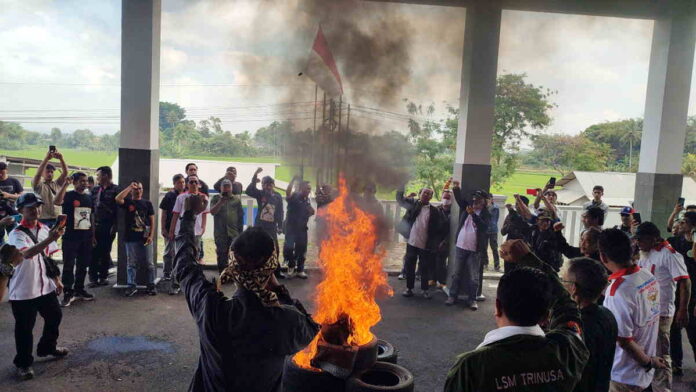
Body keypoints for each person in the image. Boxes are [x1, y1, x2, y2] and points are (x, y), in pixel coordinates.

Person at [173, 195, 320, 392]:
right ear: (270, 268)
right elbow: (311, 328)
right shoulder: (286, 321)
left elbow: (184, 265)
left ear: (233, 267)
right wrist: (278, 290)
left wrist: (189, 215)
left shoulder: (210, 307)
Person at [444, 239, 588, 392]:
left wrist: (528, 259)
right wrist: (529, 259)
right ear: (546, 317)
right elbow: (567, 307)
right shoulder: (567, 350)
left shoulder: (471, 368)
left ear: (498, 307)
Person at [7, 193, 68, 381]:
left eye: (38, 206)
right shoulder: (15, 234)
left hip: (44, 287)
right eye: (31, 207)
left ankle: (47, 347)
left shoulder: (44, 229)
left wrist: (56, 279)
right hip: (24, 290)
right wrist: (50, 239)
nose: (36, 210)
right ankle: (23, 364)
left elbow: (47, 258)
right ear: (20, 211)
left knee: (55, 315)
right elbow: (27, 254)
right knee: (25, 328)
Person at [597, 228, 666, 391]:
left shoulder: (617, 292)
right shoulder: (647, 276)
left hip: (623, 376)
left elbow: (624, 340)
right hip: (642, 375)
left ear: (603, 257)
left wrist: (649, 362)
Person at [634, 221, 690, 391]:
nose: (638, 243)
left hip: (662, 312)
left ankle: (662, 388)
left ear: (654, 238)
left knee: (660, 353)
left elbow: (685, 282)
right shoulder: (646, 252)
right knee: (645, 351)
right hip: (645, 311)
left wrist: (682, 309)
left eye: (641, 240)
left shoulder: (670, 254)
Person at [563, 257, 618, 392]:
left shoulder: (578, 326)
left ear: (574, 288)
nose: (562, 284)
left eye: (564, 281)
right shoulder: (607, 315)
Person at [396, 185, 445, 299]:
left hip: (425, 245)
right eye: (424, 193)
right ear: (420, 194)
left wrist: (436, 243)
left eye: (429, 194)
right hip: (412, 243)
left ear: (431, 197)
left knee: (424, 268)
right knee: (410, 266)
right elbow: (400, 199)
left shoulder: (434, 211)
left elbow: (439, 228)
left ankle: (425, 290)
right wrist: (401, 185)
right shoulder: (413, 205)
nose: (426, 195)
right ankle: (409, 288)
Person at [446, 182, 490, 310]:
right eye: (475, 199)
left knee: (473, 277)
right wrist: (456, 187)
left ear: (484, 202)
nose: (475, 201)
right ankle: (452, 296)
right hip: (460, 246)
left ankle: (472, 299)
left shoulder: (486, 214)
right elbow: (459, 199)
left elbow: (483, 227)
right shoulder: (467, 207)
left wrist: (473, 214)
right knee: (456, 274)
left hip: (474, 250)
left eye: (479, 200)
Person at [54, 172, 94, 307]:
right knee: (68, 266)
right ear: (75, 182)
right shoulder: (69, 195)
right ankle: (68, 292)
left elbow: (91, 217)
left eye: (86, 181)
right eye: (81, 181)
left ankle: (79, 289)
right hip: (70, 237)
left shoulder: (89, 198)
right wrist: (65, 184)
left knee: (83, 265)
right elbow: (57, 201)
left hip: (86, 237)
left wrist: (92, 235)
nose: (84, 183)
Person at [169, 175, 209, 294]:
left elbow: (204, 214)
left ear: (199, 184)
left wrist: (203, 227)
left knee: (194, 258)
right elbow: (175, 215)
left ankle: (190, 284)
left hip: (196, 233)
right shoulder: (181, 197)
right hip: (182, 233)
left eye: (196, 182)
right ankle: (175, 284)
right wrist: (171, 231)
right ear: (187, 184)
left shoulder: (204, 197)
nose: (193, 184)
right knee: (178, 258)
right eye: (191, 182)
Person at [667, 212, 696, 376]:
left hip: (694, 294)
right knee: (674, 330)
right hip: (677, 292)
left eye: (684, 222)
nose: (680, 224)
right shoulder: (674, 242)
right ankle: (676, 362)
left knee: (693, 331)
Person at [116, 181, 156, 297]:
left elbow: (152, 221)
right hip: (130, 237)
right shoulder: (128, 202)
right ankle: (131, 285)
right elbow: (118, 199)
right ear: (132, 190)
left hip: (145, 237)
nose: (138, 191)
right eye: (136, 189)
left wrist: (151, 236)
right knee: (131, 263)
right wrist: (129, 187)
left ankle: (151, 285)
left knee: (149, 263)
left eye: (140, 189)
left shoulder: (147, 203)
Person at [246, 167, 284, 278]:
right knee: (257, 248)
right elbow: (249, 191)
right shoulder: (260, 194)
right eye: (265, 184)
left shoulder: (278, 196)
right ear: (262, 185)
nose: (267, 186)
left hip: (271, 227)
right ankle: (257, 271)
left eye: (269, 184)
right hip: (259, 226)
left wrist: (280, 226)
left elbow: (280, 212)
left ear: (273, 185)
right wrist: (254, 177)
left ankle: (276, 271)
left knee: (275, 249)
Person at [89, 166, 122, 287]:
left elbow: (118, 211)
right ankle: (93, 278)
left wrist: (115, 226)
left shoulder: (116, 190)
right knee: (93, 252)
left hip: (108, 225)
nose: (96, 178)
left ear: (106, 176)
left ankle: (103, 276)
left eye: (98, 175)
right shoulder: (95, 190)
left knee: (105, 251)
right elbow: (91, 208)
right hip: (94, 224)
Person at [283, 176, 315, 279]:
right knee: (288, 248)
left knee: (301, 249)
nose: (309, 190)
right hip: (291, 228)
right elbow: (287, 193)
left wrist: (311, 212)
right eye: (307, 188)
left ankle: (300, 270)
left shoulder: (307, 200)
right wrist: (292, 181)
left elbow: (309, 211)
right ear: (301, 188)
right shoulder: (295, 196)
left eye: (310, 189)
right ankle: (291, 266)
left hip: (302, 229)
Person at [210, 179, 244, 273]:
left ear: (231, 188)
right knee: (221, 254)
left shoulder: (236, 199)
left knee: (234, 254)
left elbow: (240, 216)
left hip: (234, 232)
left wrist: (240, 233)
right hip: (220, 233)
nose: (226, 189)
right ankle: (223, 275)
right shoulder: (216, 198)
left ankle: (233, 274)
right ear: (221, 188)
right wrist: (220, 202)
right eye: (224, 187)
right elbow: (212, 212)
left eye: (228, 186)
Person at [32, 149, 68, 227]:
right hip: (42, 218)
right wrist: (46, 158)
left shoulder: (57, 183)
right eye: (47, 171)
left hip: (56, 218)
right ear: (42, 173)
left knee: (55, 238)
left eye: (52, 172)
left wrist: (61, 158)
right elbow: (37, 175)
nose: (50, 174)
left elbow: (65, 173)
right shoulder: (38, 185)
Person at [159, 174, 185, 281]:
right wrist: (163, 228)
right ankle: (166, 272)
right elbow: (164, 213)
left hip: (182, 229)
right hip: (170, 227)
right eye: (179, 182)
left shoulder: (186, 195)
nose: (182, 184)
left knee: (179, 252)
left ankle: (177, 272)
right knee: (169, 251)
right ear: (174, 184)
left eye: (183, 182)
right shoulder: (169, 196)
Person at [482, 194, 500, 271]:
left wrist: (488, 207)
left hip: (493, 230)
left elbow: (493, 217)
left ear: (492, 199)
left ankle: (497, 265)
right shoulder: (483, 207)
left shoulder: (495, 208)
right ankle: (485, 263)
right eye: (487, 199)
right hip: (485, 230)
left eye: (489, 199)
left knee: (494, 248)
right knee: (484, 247)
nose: (488, 200)